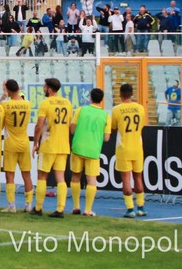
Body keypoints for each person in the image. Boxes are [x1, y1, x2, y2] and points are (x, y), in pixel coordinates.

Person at [31, 78, 72, 218]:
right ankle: (60, 209)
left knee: (42, 176)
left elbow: (39, 126)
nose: (43, 88)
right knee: (60, 178)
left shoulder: (45, 103)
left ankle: (38, 207)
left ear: (49, 89)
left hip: (49, 144)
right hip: (63, 145)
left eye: (44, 86)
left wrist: (35, 143)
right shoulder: (67, 103)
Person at [69, 88, 110, 217]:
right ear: (101, 100)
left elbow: (72, 130)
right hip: (93, 150)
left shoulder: (81, 110)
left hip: (78, 147)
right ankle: (88, 209)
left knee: (76, 176)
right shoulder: (105, 115)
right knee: (91, 180)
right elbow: (107, 138)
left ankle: (76, 206)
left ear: (90, 98)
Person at [112, 84, 147, 218]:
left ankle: (130, 208)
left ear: (120, 94)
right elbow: (141, 126)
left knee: (126, 179)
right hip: (137, 147)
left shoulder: (117, 110)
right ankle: (141, 207)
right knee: (138, 177)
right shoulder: (140, 108)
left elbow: (114, 128)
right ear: (132, 94)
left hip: (123, 148)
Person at [0, 79, 33, 213]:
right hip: (24, 142)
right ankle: (29, 204)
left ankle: (12, 205)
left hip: (10, 143)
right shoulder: (28, 104)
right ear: (18, 87)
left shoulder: (5, 105)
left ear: (7, 90)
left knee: (10, 175)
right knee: (27, 175)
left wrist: (3, 95)